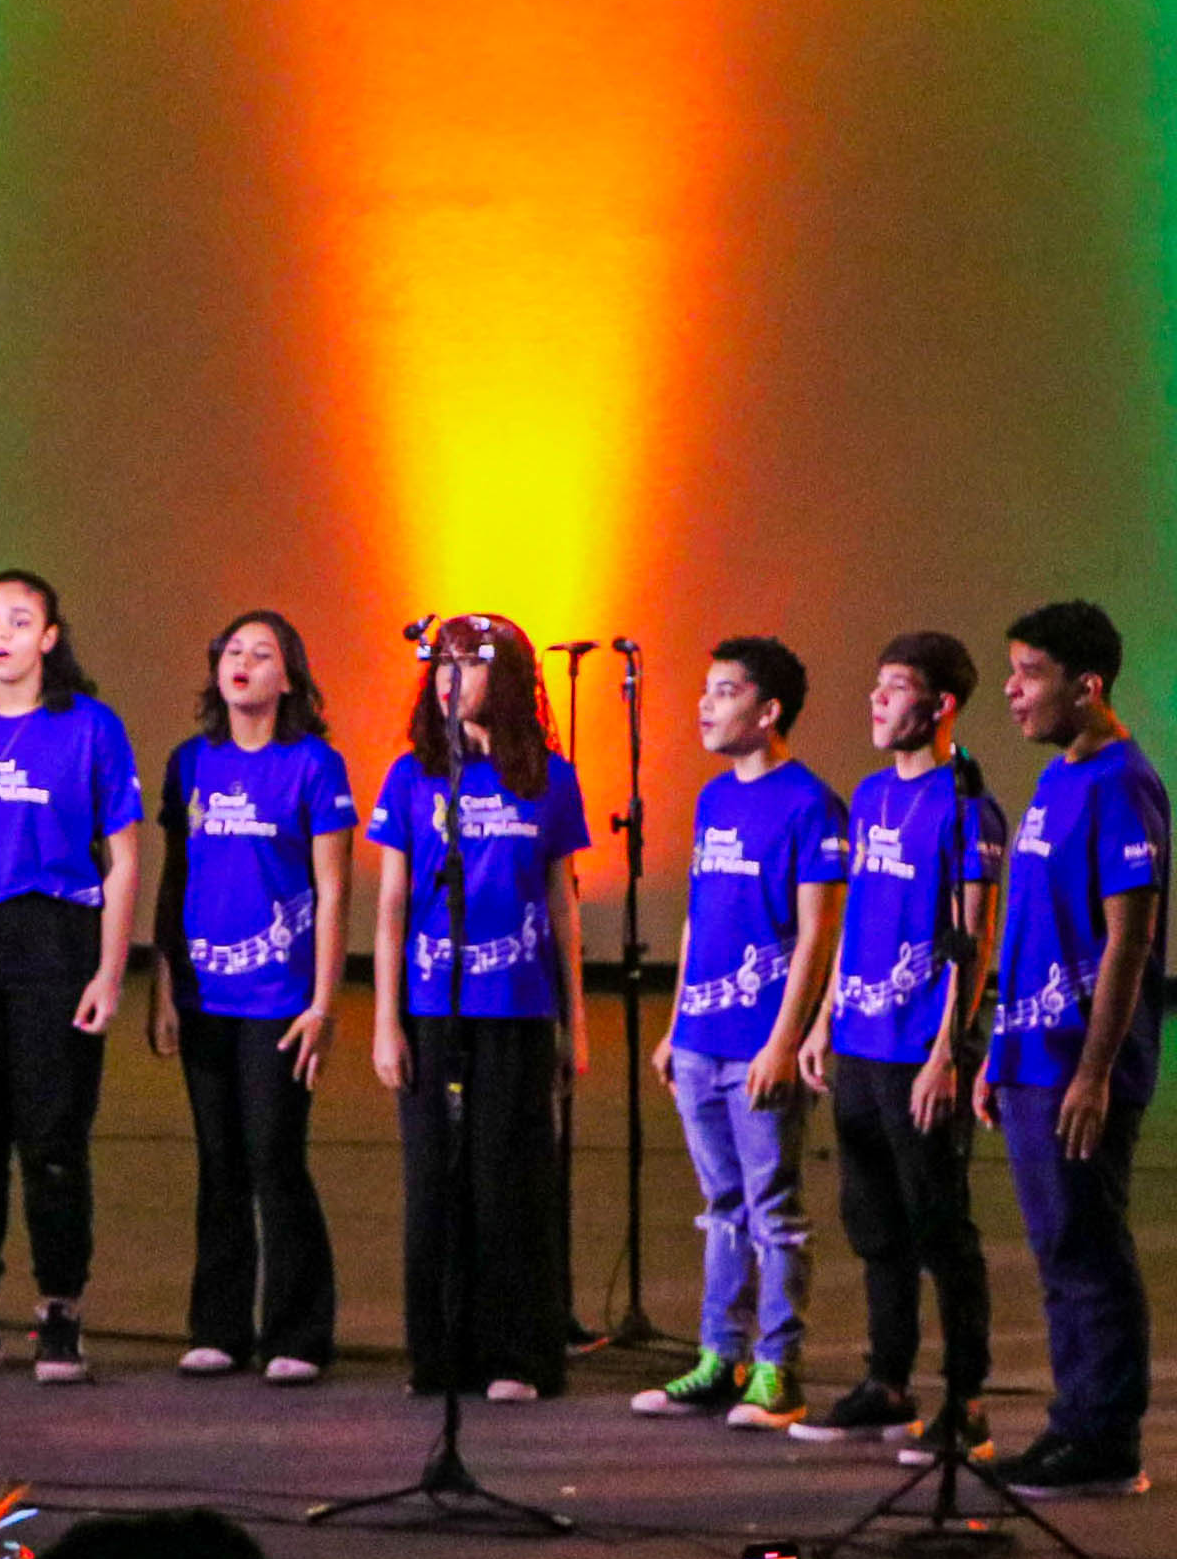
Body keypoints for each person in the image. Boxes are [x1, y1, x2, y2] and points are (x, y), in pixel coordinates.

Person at [0, 570, 144, 1384]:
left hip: (56, 937)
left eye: (18, 620)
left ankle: (59, 1312)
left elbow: (123, 860)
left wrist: (109, 972)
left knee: (51, 1139)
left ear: (50, 637)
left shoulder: (90, 727)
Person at [367, 613, 592, 1402]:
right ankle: (440, 1353)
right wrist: (384, 1021)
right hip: (434, 1005)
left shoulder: (550, 779)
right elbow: (392, 901)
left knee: (511, 1182)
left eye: (467, 663)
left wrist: (576, 1023)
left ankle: (517, 1355)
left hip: (520, 1006)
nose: (447, 678)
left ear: (510, 679)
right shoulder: (412, 775)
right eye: (440, 665)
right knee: (435, 1183)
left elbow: (562, 904)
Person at [794, 634, 1004, 1459]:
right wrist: (821, 1021)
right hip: (859, 1042)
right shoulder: (872, 795)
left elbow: (973, 937)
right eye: (875, 686)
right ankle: (886, 1384)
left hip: (920, 1049)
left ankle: (968, 1398)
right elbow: (852, 923)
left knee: (938, 1228)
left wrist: (947, 1053)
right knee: (873, 1225)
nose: (875, 702)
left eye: (894, 689)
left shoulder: (966, 808)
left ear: (939, 706)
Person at [978, 600, 1169, 1497]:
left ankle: (1106, 1440)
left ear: (1086, 685)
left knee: (1088, 1252)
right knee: (1058, 1253)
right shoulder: (1059, 776)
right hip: (1027, 1057)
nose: (1011, 692)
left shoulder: (1121, 782)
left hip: (1075, 1067)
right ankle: (1072, 1422)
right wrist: (994, 1051)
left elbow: (1127, 937)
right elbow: (1030, 930)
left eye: (1029, 674)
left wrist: (1095, 1071)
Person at [635, 636, 847, 1431]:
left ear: (767, 712)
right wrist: (675, 1023)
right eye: (705, 687)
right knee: (720, 1203)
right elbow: (698, 919)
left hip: (761, 1044)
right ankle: (718, 1356)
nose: (704, 704)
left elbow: (816, 932)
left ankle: (776, 1369)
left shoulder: (809, 803)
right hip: (700, 1039)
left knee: (773, 1209)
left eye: (723, 691)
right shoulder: (712, 799)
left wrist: (784, 1041)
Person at [149, 612, 353, 1385]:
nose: (241, 663)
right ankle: (219, 1327)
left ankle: (298, 1331)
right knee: (218, 1160)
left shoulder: (313, 766)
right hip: (204, 992)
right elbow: (174, 878)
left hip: (279, 997)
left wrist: (324, 1002)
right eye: (231, 650)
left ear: (287, 679)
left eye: (260, 654)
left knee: (274, 1156)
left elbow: (333, 891)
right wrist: (163, 985)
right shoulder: (189, 763)